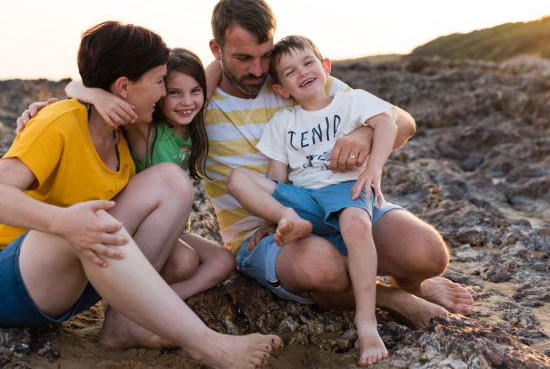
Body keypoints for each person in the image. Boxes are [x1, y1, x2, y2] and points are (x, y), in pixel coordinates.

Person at [0, 21, 280, 369]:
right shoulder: (60, 119)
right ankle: (211, 346)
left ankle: (123, 321)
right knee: (90, 218)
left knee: (170, 180)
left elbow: (210, 74)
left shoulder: (124, 134)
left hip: (76, 282)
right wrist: (63, 221)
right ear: (123, 86)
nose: (165, 92)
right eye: (160, 82)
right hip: (14, 278)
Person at [203, 0, 474, 326]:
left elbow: (402, 122)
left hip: (339, 203)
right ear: (216, 51)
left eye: (265, 55)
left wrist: (363, 135)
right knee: (323, 268)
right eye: (243, 58)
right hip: (266, 234)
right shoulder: (196, 104)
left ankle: (413, 284)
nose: (258, 70)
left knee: (427, 252)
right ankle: (392, 298)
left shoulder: (293, 78)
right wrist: (204, 82)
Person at [227, 35, 398, 366]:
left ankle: (366, 323)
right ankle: (290, 219)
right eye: (290, 72)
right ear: (281, 90)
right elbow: (277, 178)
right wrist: (272, 219)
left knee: (357, 223)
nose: (302, 72)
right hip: (302, 199)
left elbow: (387, 123)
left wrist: (373, 169)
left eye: (308, 63)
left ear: (325, 67)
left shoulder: (351, 101)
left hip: (345, 188)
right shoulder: (283, 122)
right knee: (238, 178)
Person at [65, 47, 236, 300]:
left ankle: (165, 302)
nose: (187, 101)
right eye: (174, 93)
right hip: (142, 228)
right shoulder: (145, 128)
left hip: (178, 228)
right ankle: (137, 305)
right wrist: (97, 97)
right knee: (185, 262)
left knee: (224, 261)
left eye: (195, 91)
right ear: (159, 94)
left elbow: (221, 62)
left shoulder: (192, 119)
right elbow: (74, 86)